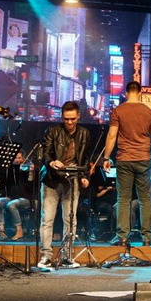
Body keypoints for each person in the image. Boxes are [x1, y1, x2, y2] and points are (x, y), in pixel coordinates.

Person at [103, 81, 151, 246]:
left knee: (124, 198)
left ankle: (122, 237)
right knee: (145, 199)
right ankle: (147, 238)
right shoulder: (148, 111)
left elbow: (112, 136)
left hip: (125, 159)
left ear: (126, 93)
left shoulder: (118, 110)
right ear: (140, 93)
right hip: (143, 159)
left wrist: (106, 158)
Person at [37, 101, 90, 268]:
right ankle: (46, 256)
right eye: (66, 119)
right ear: (62, 117)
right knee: (47, 219)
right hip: (52, 179)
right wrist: (51, 162)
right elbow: (45, 153)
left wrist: (84, 176)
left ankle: (67, 256)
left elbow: (85, 158)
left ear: (78, 116)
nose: (69, 122)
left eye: (73, 118)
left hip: (72, 179)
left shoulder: (84, 133)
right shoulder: (52, 131)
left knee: (70, 219)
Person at [0, 150, 33, 241]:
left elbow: (30, 184)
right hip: (11, 198)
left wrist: (31, 172)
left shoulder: (25, 171)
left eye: (19, 158)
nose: (17, 160)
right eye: (15, 158)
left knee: (11, 204)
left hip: (25, 199)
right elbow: (4, 186)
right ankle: (1, 231)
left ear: (23, 159)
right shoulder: (9, 171)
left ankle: (19, 230)